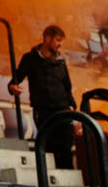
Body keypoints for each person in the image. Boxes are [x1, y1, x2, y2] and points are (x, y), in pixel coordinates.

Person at [8, 25, 79, 169]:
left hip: (63, 110)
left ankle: (67, 176)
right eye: (57, 40)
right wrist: (12, 87)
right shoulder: (30, 58)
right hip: (43, 111)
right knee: (49, 147)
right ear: (47, 38)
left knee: (66, 148)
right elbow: (15, 80)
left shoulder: (61, 61)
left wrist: (72, 107)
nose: (60, 44)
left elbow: (67, 86)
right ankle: (51, 177)